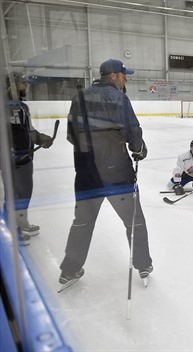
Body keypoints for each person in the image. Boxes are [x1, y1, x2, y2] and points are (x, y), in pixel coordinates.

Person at [59, 59, 152, 285]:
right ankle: (143, 264)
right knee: (134, 220)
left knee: (82, 221)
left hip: (86, 173)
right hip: (116, 173)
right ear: (112, 76)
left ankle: (69, 269)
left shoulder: (79, 98)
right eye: (123, 74)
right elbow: (133, 132)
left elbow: (71, 135)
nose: (125, 78)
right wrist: (138, 149)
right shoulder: (120, 99)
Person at [5, 72, 54, 245]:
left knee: (25, 194)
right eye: (23, 84)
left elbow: (29, 131)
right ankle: (12, 229)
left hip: (26, 157)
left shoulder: (23, 107)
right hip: (11, 159)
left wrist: (41, 138)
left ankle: (22, 221)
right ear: (12, 85)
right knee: (14, 195)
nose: (27, 87)